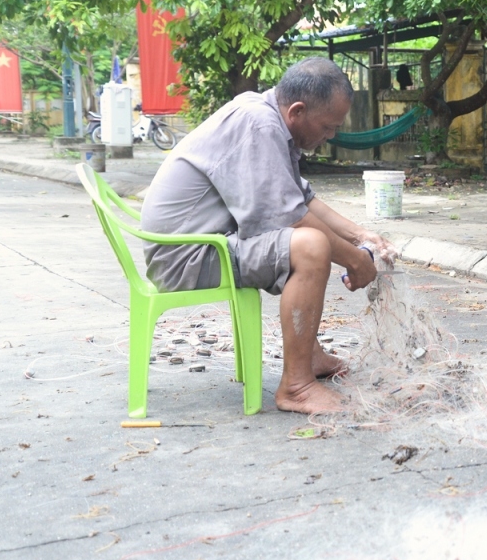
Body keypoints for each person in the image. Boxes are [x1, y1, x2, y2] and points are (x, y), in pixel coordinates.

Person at [141, 58, 394, 414]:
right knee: (310, 247)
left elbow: (302, 199)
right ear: (298, 111)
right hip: (185, 258)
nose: (331, 136)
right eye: (328, 127)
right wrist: (355, 261)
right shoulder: (257, 125)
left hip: (201, 245)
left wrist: (361, 235)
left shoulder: (267, 115)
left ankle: (311, 356)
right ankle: (296, 387)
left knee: (311, 240)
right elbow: (292, 221)